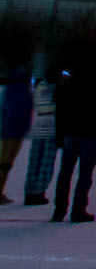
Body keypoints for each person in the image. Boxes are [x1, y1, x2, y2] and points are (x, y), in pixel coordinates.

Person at [50, 58, 96, 224]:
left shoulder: (72, 81)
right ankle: (78, 210)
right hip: (91, 133)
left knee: (65, 172)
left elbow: (60, 107)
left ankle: (59, 210)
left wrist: (59, 133)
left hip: (70, 132)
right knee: (85, 174)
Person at [19, 69, 58, 208]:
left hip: (39, 126)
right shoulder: (56, 88)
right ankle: (39, 191)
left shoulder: (39, 87)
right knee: (46, 162)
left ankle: (29, 191)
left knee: (34, 161)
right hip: (51, 127)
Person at [0, 65, 32, 202]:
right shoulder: (25, 92)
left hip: (4, 129)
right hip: (16, 130)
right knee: (7, 162)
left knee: (3, 161)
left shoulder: (7, 91)